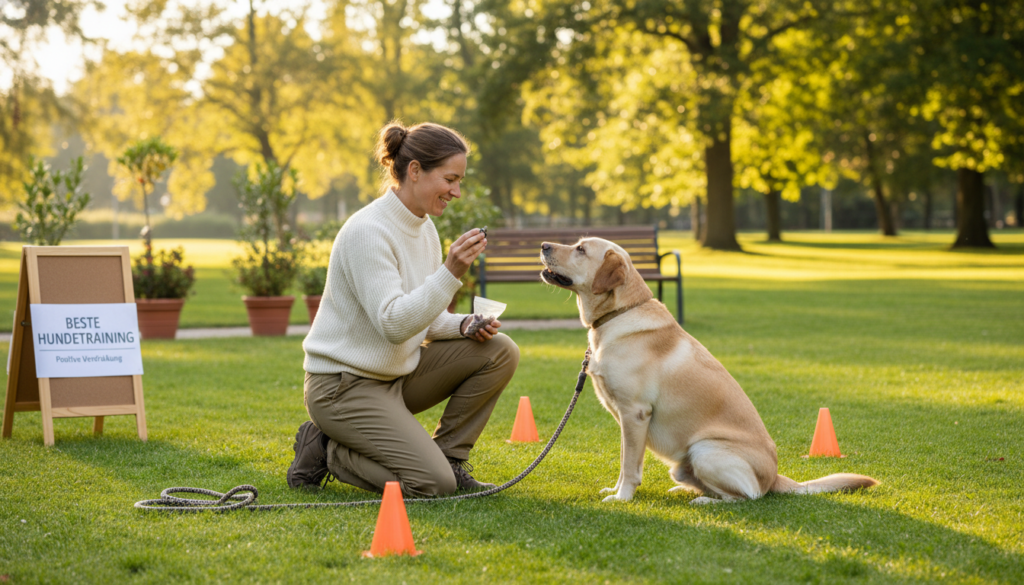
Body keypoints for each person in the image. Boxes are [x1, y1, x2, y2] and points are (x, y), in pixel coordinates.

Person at [287, 121, 519, 497]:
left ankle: (450, 459)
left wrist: (464, 325)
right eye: (450, 179)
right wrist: (451, 271)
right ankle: (328, 450)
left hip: (394, 377)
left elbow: (422, 318)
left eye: (459, 181)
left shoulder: (424, 228)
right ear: (415, 171)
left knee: (499, 350)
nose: (457, 192)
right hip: (342, 388)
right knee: (430, 485)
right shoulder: (368, 231)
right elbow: (394, 323)